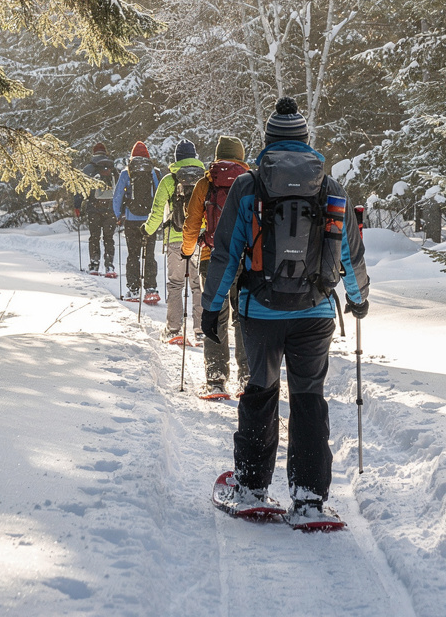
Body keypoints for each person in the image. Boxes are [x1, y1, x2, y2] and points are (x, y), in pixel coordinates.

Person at [202, 97, 369, 527]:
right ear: (306, 142)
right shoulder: (331, 189)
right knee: (309, 398)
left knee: (260, 393)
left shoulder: (248, 187)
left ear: (269, 142)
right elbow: (351, 253)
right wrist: (358, 297)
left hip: (259, 311)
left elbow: (226, 253)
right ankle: (310, 498)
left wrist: (211, 307)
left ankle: (253, 488)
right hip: (315, 314)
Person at [180, 134, 251, 397]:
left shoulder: (206, 183)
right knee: (244, 318)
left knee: (215, 317)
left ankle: (216, 378)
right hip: (246, 259)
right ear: (241, 156)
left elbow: (192, 222)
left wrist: (188, 251)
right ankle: (247, 378)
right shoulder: (251, 181)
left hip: (213, 259)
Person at [143, 140, 207, 342]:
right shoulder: (204, 179)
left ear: (177, 158)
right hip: (199, 238)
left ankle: (173, 329)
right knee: (199, 285)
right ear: (194, 156)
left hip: (175, 239)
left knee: (176, 284)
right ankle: (201, 329)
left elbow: (156, 211)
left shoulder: (169, 180)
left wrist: (147, 230)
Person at [114, 141, 161, 302]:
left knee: (133, 255)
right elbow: (159, 196)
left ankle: (133, 290)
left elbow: (117, 196)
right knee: (149, 255)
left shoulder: (126, 173)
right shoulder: (154, 172)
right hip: (150, 221)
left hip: (131, 220)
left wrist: (118, 216)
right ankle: (151, 289)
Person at [77, 143, 118, 278]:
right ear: (105, 152)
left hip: (93, 208)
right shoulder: (113, 168)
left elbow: (79, 188)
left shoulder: (88, 168)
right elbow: (119, 188)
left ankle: (94, 264)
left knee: (94, 237)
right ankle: (109, 266)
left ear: (93, 153)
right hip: (110, 208)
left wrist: (77, 205)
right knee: (109, 237)